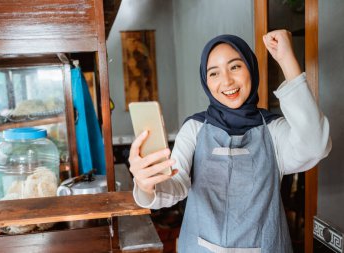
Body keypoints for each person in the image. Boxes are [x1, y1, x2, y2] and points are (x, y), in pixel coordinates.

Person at [128, 30, 331, 252]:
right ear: (205, 81)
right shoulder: (195, 128)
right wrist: (147, 185)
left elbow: (315, 145)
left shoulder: (273, 130)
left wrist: (286, 60)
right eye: (214, 73)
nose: (226, 81)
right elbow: (176, 185)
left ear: (251, 70)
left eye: (235, 66)